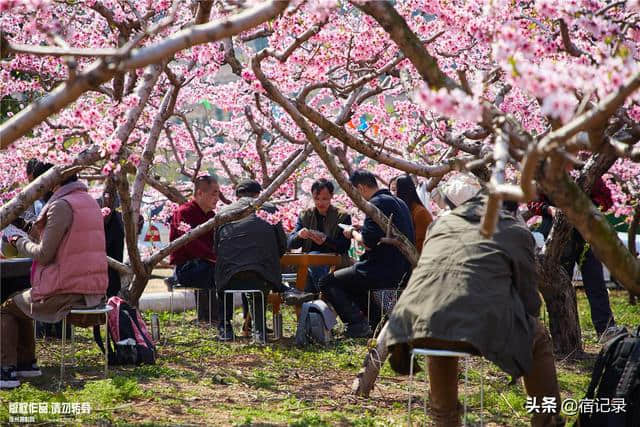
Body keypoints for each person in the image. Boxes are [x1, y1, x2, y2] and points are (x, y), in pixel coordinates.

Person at [386, 191, 564, 427]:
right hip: (475, 326)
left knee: (439, 325)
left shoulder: (441, 223)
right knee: (538, 336)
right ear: (512, 211)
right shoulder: (514, 231)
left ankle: (444, 418)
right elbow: (528, 299)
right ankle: (547, 419)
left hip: (410, 325)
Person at [1, 174, 108, 389]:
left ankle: (6, 371)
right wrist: (25, 226)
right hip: (93, 291)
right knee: (20, 302)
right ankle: (26, 363)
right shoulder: (88, 202)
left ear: (53, 182)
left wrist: (16, 240)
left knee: (6, 308)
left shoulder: (61, 205)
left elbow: (43, 254)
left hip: (65, 291)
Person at [318, 170, 414, 338]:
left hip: (380, 268)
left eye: (353, 193)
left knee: (327, 282)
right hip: (403, 268)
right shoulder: (398, 201)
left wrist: (351, 233)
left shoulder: (375, 203)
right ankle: (375, 323)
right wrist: (362, 229)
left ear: (360, 188)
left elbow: (367, 244)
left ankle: (356, 324)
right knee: (352, 283)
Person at [215, 179, 314, 342]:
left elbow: (217, 249)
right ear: (258, 194)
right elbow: (283, 246)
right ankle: (260, 330)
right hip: (262, 276)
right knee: (259, 275)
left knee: (224, 270)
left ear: (237, 196)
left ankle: (225, 327)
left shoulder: (223, 212)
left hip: (228, 277)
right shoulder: (269, 209)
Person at [528, 176, 615, 337]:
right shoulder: (545, 171)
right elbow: (532, 202)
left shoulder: (587, 171)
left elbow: (606, 200)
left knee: (595, 282)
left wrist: (588, 206)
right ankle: (565, 334)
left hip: (586, 232)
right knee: (561, 286)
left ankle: (606, 329)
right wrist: (549, 209)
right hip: (557, 233)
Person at [169, 175, 220, 323]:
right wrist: (214, 258)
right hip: (187, 268)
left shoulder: (211, 215)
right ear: (199, 193)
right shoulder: (183, 212)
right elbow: (190, 243)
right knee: (213, 270)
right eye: (214, 193)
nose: (217, 198)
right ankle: (213, 318)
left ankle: (216, 317)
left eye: (218, 193)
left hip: (209, 264)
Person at [288, 178, 352, 292]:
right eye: (316, 199)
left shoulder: (342, 216)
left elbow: (344, 246)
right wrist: (299, 235)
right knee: (303, 261)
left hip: (335, 260)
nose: (320, 203)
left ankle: (324, 293)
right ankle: (321, 295)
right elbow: (291, 242)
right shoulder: (305, 215)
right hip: (309, 260)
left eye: (324, 199)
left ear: (331, 196)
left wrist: (326, 240)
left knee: (315, 258)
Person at [390, 175, 433, 253]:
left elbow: (421, 243)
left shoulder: (420, 213)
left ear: (403, 191)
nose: (393, 194)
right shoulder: (404, 211)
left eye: (395, 190)